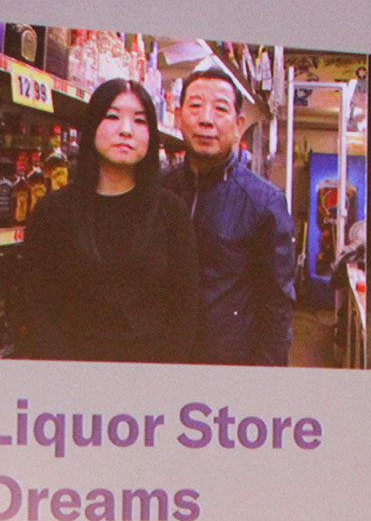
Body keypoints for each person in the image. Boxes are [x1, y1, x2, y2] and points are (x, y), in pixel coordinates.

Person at [23, 78, 197, 363]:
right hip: (70, 381)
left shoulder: (172, 214)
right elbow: (37, 304)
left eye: (140, 121)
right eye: (112, 117)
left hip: (147, 383)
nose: (126, 130)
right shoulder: (53, 212)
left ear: (151, 136)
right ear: (91, 128)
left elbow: (185, 311)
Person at [160, 65, 294, 365]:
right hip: (164, 361)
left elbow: (277, 305)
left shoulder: (264, 202)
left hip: (227, 365)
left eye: (220, 109)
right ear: (179, 116)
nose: (206, 119)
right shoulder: (159, 191)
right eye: (195, 106)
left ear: (238, 124)